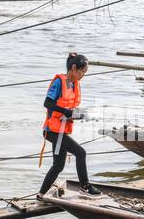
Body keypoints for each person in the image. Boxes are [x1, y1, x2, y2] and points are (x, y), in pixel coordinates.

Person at [37, 53, 101, 200]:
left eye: (85, 72)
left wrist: (78, 114)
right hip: (52, 131)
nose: (83, 75)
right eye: (81, 71)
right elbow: (47, 103)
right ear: (73, 68)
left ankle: (41, 195)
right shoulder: (60, 82)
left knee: (58, 166)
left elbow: (68, 107)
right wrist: (66, 111)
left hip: (60, 130)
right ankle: (85, 187)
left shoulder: (73, 85)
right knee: (81, 153)